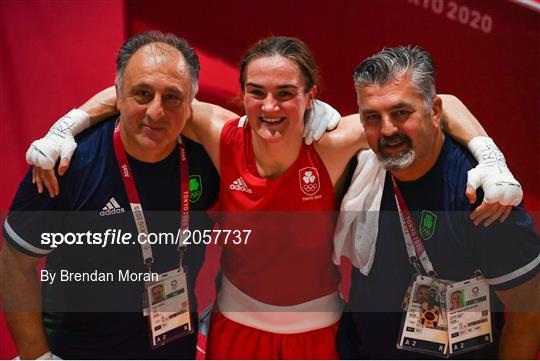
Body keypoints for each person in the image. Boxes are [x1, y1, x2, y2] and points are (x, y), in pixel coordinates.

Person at [24, 37, 522, 359]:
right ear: (240, 95)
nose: (270, 106)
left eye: (286, 92)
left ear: (311, 97)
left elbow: (445, 103)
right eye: (256, 91)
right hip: (235, 331)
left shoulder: (331, 145)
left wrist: (489, 156)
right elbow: (140, 89)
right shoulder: (221, 135)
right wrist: (68, 125)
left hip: (319, 335)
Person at [0, 31, 221, 359]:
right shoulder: (68, 164)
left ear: (191, 103)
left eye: (172, 97)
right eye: (141, 94)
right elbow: (13, 261)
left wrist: (316, 114)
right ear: (117, 95)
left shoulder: (208, 156)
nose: (155, 112)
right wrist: (36, 357)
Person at [336, 46, 539, 359]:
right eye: (372, 117)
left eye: (402, 113)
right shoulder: (361, 165)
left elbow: (530, 311)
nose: (387, 129)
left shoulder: (480, 197)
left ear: (434, 110)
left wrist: (489, 156)